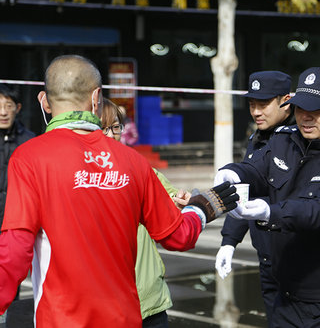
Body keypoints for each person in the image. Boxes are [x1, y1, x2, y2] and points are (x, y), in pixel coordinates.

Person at [0, 54, 238, 327]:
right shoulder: (134, 162)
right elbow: (178, 236)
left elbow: (15, 250)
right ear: (96, 98)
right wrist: (201, 209)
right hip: (125, 319)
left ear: (44, 100)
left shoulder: (29, 157)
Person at [215, 67, 320, 327]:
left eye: (316, 110)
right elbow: (256, 169)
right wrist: (232, 173)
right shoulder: (285, 140)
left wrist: (270, 212)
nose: (306, 117)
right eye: (301, 108)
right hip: (289, 293)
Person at [102, 98, 190, 327]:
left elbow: (170, 196)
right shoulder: (78, 177)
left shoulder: (138, 167)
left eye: (115, 127)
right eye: (103, 128)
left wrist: (179, 201)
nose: (111, 135)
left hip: (149, 299)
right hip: (106, 305)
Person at [215, 70, 293, 323]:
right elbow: (246, 193)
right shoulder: (257, 138)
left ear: (286, 100)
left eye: (264, 104)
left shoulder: (300, 138)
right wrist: (229, 240)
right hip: (267, 259)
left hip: (297, 258)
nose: (257, 112)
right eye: (252, 105)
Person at [0, 84, 35, 228]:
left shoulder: (29, 140)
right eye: (0, 106)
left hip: (16, 220)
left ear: (18, 108)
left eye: (9, 106)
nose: (3, 112)